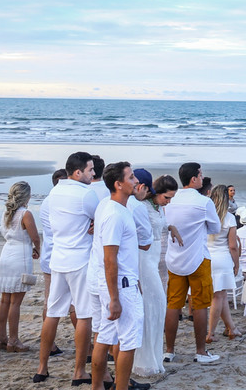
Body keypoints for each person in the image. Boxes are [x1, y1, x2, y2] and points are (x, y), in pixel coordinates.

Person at [34, 151, 98, 385]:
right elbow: (99, 219)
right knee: (84, 315)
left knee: (53, 313)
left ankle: (42, 368)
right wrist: (92, 224)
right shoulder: (86, 194)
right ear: (78, 172)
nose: (94, 173)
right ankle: (79, 371)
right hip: (80, 259)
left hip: (58, 258)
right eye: (90, 170)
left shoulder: (55, 191)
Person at [89, 162, 145, 390]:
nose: (135, 181)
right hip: (120, 286)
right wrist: (114, 298)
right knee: (127, 342)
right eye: (131, 178)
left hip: (121, 283)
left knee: (105, 337)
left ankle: (97, 386)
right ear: (118, 184)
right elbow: (109, 259)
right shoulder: (114, 214)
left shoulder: (119, 209)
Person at [162, 162, 221, 365]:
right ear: (194, 179)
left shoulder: (171, 198)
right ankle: (200, 352)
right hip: (197, 258)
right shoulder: (203, 202)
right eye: (201, 175)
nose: (202, 178)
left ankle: (169, 350)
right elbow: (215, 227)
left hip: (174, 258)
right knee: (200, 305)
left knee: (173, 304)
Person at [0, 181, 40, 353]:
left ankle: (1, 338)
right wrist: (38, 250)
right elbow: (35, 237)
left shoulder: (7, 213)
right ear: (26, 196)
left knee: (5, 300)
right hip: (20, 256)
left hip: (6, 255)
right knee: (15, 303)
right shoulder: (25, 214)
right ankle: (13, 340)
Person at [132, 169, 170, 377]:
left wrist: (171, 227)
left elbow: (159, 227)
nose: (168, 202)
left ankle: (154, 358)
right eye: (167, 197)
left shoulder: (156, 208)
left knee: (157, 307)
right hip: (144, 261)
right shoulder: (140, 207)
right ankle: (143, 361)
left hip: (154, 260)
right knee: (151, 306)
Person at [206, 184, 239, 343]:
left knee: (221, 295)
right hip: (223, 258)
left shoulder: (206, 215)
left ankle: (231, 328)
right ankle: (210, 333)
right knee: (218, 297)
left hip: (207, 257)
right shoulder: (229, 218)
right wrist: (237, 263)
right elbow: (233, 246)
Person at [37, 169, 67, 320]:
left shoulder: (48, 200)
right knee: (54, 302)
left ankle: (48, 341)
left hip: (50, 255)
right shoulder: (58, 201)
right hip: (58, 256)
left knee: (49, 301)